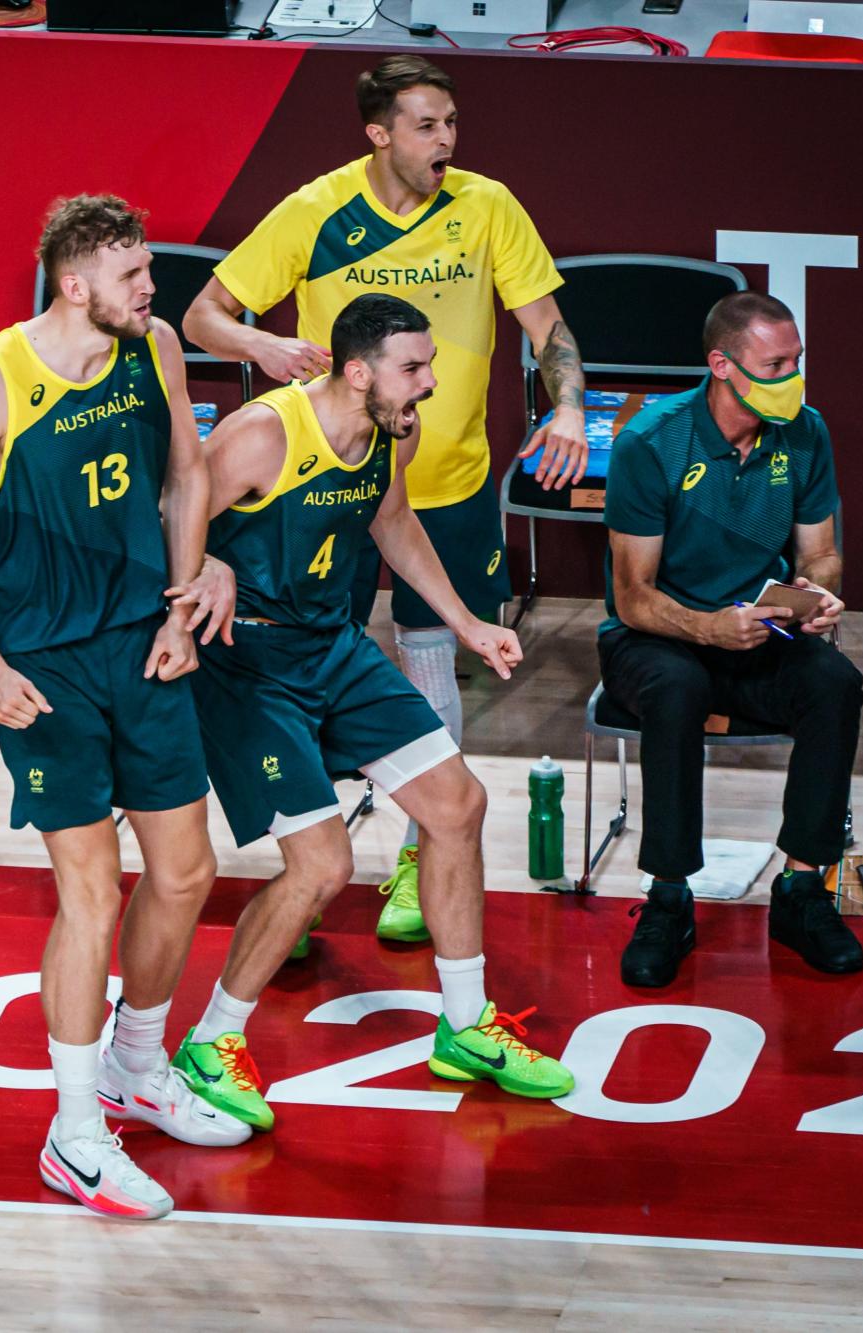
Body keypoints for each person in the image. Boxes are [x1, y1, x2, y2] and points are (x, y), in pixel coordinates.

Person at [184, 54, 589, 945]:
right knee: (308, 659)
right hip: (327, 483)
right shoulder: (316, 209)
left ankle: (416, 855)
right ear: (379, 134)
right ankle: (309, 860)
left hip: (445, 484)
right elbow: (200, 314)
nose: (447, 141)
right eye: (426, 125)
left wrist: (566, 405)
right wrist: (264, 345)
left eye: (451, 123)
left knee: (431, 662)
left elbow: (548, 327)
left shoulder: (488, 206)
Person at [0, 195, 248, 1222]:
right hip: (44, 668)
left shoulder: (149, 351)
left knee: (187, 870)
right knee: (91, 895)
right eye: (134, 273)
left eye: (148, 272)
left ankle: (134, 1067)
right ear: (74, 283)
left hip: (140, 643)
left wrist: (184, 595)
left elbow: (186, 477)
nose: (153, 289)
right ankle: (72, 1133)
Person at [172, 293, 574, 1136]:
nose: (428, 383)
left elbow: (391, 521)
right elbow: (172, 515)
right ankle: (210, 1042)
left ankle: (464, 1026)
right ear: (358, 373)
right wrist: (208, 560)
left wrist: (466, 622)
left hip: (331, 645)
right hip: (247, 661)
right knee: (320, 865)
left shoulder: (394, 432)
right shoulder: (263, 435)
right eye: (413, 368)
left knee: (458, 805)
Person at [599, 292, 863, 988]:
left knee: (835, 682)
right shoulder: (650, 443)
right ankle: (668, 896)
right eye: (776, 364)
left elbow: (821, 553)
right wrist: (708, 626)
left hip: (760, 627)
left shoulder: (806, 432)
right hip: (659, 635)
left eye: (797, 360)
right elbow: (633, 596)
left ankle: (802, 890)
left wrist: (819, 593)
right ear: (722, 365)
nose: (794, 377)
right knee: (679, 687)